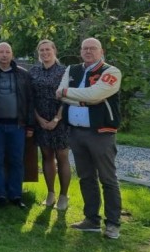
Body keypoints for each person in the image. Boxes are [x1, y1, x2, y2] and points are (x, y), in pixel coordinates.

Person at [56, 38, 122, 239]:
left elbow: (96, 94)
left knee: (108, 179)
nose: (88, 51)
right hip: (76, 132)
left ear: (101, 50)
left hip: (101, 133)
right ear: (80, 51)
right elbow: (60, 95)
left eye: (92, 48)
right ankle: (91, 220)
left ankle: (113, 224)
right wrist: (85, 99)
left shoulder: (111, 72)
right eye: (85, 48)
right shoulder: (72, 69)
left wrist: (70, 94)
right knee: (86, 177)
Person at [0, 42, 33, 208]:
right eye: (1, 52)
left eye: (7, 52)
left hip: (17, 125)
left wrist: (30, 125)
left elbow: (29, 101)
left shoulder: (23, 75)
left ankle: (15, 195)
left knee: (16, 161)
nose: (4, 55)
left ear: (12, 54)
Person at [30, 39, 70, 210]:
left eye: (48, 49)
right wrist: (39, 119)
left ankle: (63, 195)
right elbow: (30, 98)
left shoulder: (65, 71)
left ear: (54, 50)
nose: (45, 53)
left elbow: (68, 97)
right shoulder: (33, 71)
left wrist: (56, 119)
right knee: (47, 157)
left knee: (62, 157)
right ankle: (51, 193)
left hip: (60, 121)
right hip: (41, 120)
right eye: (41, 50)